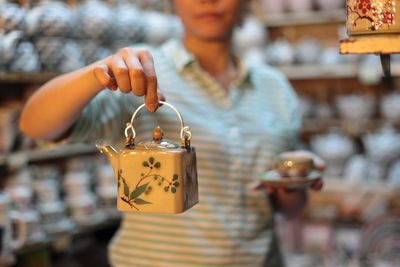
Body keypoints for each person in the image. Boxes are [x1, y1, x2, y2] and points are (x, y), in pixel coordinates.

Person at [19, 0, 324, 266]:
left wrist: (293, 181)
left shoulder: (275, 88)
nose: (208, 1)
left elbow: (289, 209)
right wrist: (97, 74)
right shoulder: (140, 69)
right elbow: (34, 125)